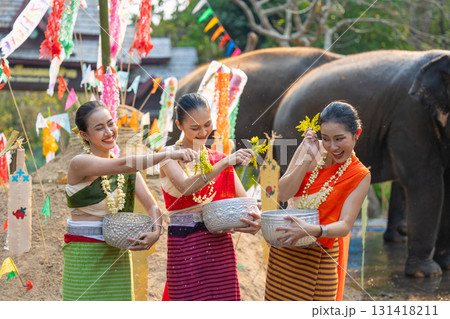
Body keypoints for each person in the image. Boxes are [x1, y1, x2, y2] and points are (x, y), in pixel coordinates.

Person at [63, 100, 195, 301]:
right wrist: (166, 154)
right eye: (99, 128)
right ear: (84, 135)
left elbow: (152, 205)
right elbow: (124, 164)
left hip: (117, 255)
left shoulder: (128, 172)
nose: (109, 132)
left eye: (110, 123)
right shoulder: (80, 163)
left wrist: (156, 231)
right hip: (84, 254)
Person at [264, 101, 371, 301]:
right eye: (326, 139)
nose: (332, 147)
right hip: (286, 247)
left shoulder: (360, 174)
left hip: (322, 254)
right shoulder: (310, 148)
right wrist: (306, 158)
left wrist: (314, 230)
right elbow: (283, 194)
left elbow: (345, 225)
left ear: (357, 134)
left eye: (340, 139)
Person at [159, 93, 261, 301]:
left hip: (219, 243)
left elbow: (246, 204)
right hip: (185, 242)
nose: (203, 132)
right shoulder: (169, 154)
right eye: (194, 128)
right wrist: (224, 164)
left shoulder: (217, 158)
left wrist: (254, 220)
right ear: (179, 124)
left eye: (207, 125)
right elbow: (187, 188)